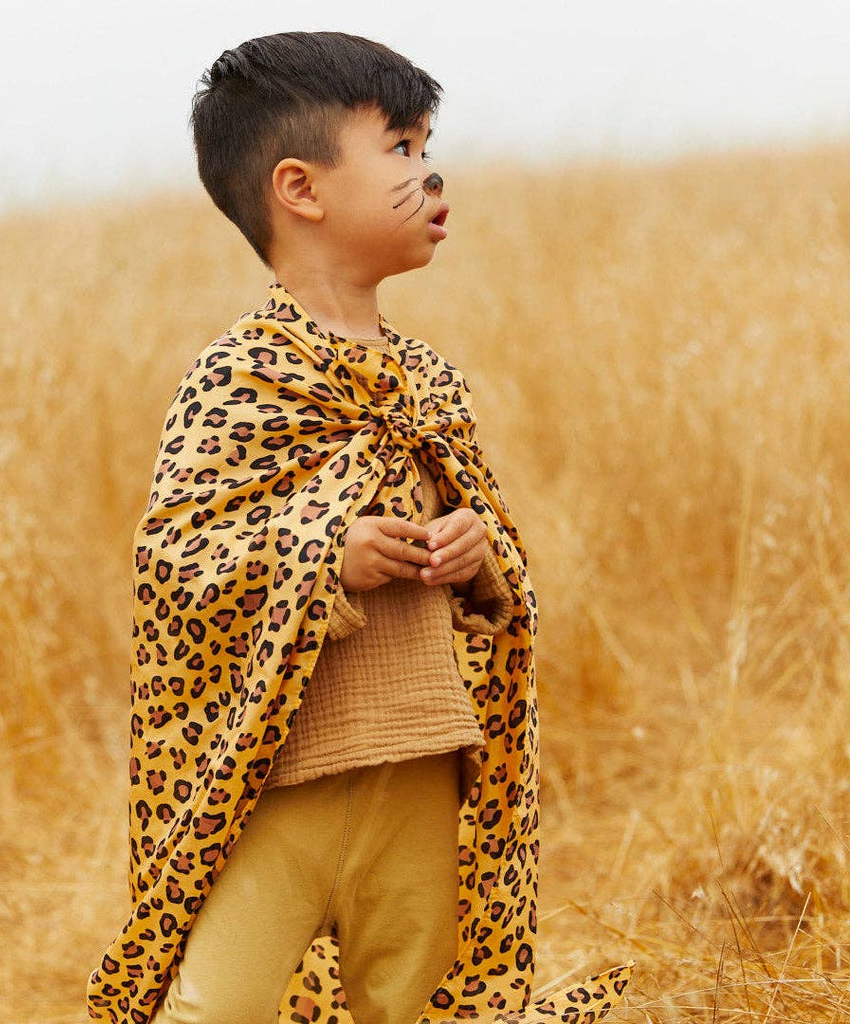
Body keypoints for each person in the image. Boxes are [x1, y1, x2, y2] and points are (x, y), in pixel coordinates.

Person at [86, 31, 630, 1024]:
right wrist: (322, 554)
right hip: (282, 782)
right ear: (301, 188)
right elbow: (176, 565)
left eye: (429, 148)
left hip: (423, 760)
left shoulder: (426, 381)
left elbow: (496, 560)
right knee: (218, 1007)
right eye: (402, 148)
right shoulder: (239, 376)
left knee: (409, 1001)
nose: (432, 175)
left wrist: (480, 561)